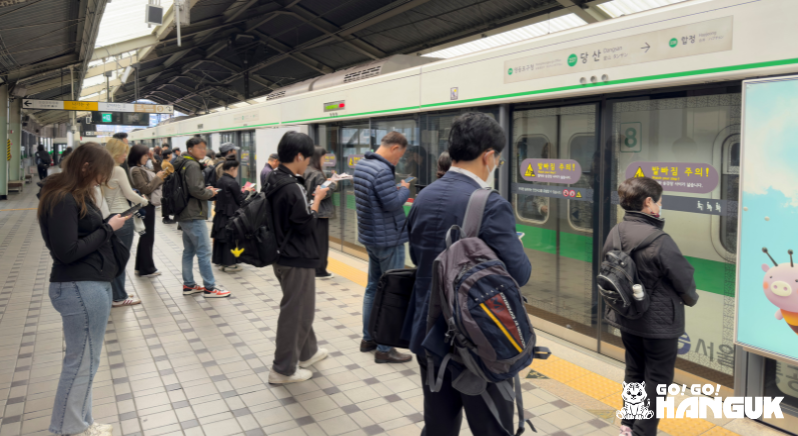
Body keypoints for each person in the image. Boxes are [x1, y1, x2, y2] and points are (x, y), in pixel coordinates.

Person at [406, 112, 531, 435]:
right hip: (478, 340)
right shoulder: (490, 204)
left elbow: (418, 256)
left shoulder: (424, 195)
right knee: (491, 427)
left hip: (428, 333)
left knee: (438, 426)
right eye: (498, 160)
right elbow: (519, 272)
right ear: (488, 156)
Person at [39, 143, 131, 436]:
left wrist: (104, 225)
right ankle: (67, 429)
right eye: (99, 174)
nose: (101, 181)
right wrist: (108, 228)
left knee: (87, 361)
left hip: (87, 284)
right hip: (79, 286)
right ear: (86, 167)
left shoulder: (72, 195)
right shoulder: (63, 199)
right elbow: (67, 251)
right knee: (81, 363)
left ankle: (82, 423)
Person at [608, 177, 699, 436]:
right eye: (659, 202)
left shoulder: (616, 231)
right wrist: (690, 298)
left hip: (627, 316)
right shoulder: (660, 240)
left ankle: (628, 425)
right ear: (648, 203)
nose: (660, 206)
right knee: (657, 379)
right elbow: (683, 278)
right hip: (659, 324)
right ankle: (642, 432)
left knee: (635, 370)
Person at [266, 131, 330, 384]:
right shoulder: (291, 187)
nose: (308, 162)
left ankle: (307, 352)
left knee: (300, 307)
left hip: (281, 254)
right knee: (296, 312)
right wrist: (316, 200)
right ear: (299, 156)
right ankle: (282, 370)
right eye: (307, 157)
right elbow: (305, 224)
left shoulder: (274, 177)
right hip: (296, 257)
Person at [353, 131, 413, 364]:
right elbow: (392, 204)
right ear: (395, 148)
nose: (399, 160)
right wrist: (405, 189)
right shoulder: (381, 170)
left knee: (372, 288)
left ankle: (368, 338)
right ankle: (385, 348)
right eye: (401, 155)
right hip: (389, 240)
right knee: (392, 295)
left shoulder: (362, 165)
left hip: (370, 238)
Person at [173, 137, 230, 298]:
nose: (203, 151)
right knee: (204, 251)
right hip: (193, 214)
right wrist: (209, 192)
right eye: (199, 148)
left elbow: (191, 188)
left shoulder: (182, 162)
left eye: (204, 148)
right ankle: (210, 287)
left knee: (189, 251)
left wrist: (204, 189)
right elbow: (195, 191)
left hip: (184, 213)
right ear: (190, 149)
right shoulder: (192, 165)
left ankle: (189, 284)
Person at [102, 138, 146, 307]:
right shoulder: (118, 170)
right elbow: (129, 194)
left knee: (113, 257)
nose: (125, 155)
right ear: (115, 153)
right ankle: (119, 297)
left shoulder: (101, 169)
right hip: (122, 217)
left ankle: (116, 293)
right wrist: (144, 201)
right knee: (121, 258)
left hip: (108, 217)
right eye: (123, 152)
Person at [129, 144, 166, 278]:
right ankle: (146, 268)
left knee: (147, 236)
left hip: (147, 205)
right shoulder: (136, 171)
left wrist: (154, 159)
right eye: (145, 155)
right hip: (145, 205)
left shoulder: (141, 168)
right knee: (147, 237)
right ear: (138, 156)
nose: (146, 158)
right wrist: (158, 178)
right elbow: (145, 189)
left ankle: (141, 267)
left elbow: (158, 171)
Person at [212, 159, 253, 272]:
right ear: (232, 169)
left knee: (222, 237)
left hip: (221, 213)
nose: (237, 172)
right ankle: (230, 264)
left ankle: (222, 262)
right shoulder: (232, 182)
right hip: (230, 214)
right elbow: (240, 199)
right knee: (230, 237)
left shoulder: (220, 180)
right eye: (237, 169)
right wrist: (247, 191)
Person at [304, 147, 337, 278]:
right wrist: (333, 183)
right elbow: (323, 193)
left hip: (311, 210)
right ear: (318, 158)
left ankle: (314, 268)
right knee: (321, 244)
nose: (324, 160)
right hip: (321, 213)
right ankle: (320, 271)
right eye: (323, 157)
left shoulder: (307, 170)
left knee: (314, 242)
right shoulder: (317, 173)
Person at [161, 149, 177, 225]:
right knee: (168, 200)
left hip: (166, 183)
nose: (172, 156)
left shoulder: (164, 162)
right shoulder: (167, 164)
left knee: (167, 200)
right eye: (171, 154)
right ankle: (166, 217)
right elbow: (172, 174)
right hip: (168, 184)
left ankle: (166, 217)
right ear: (168, 155)